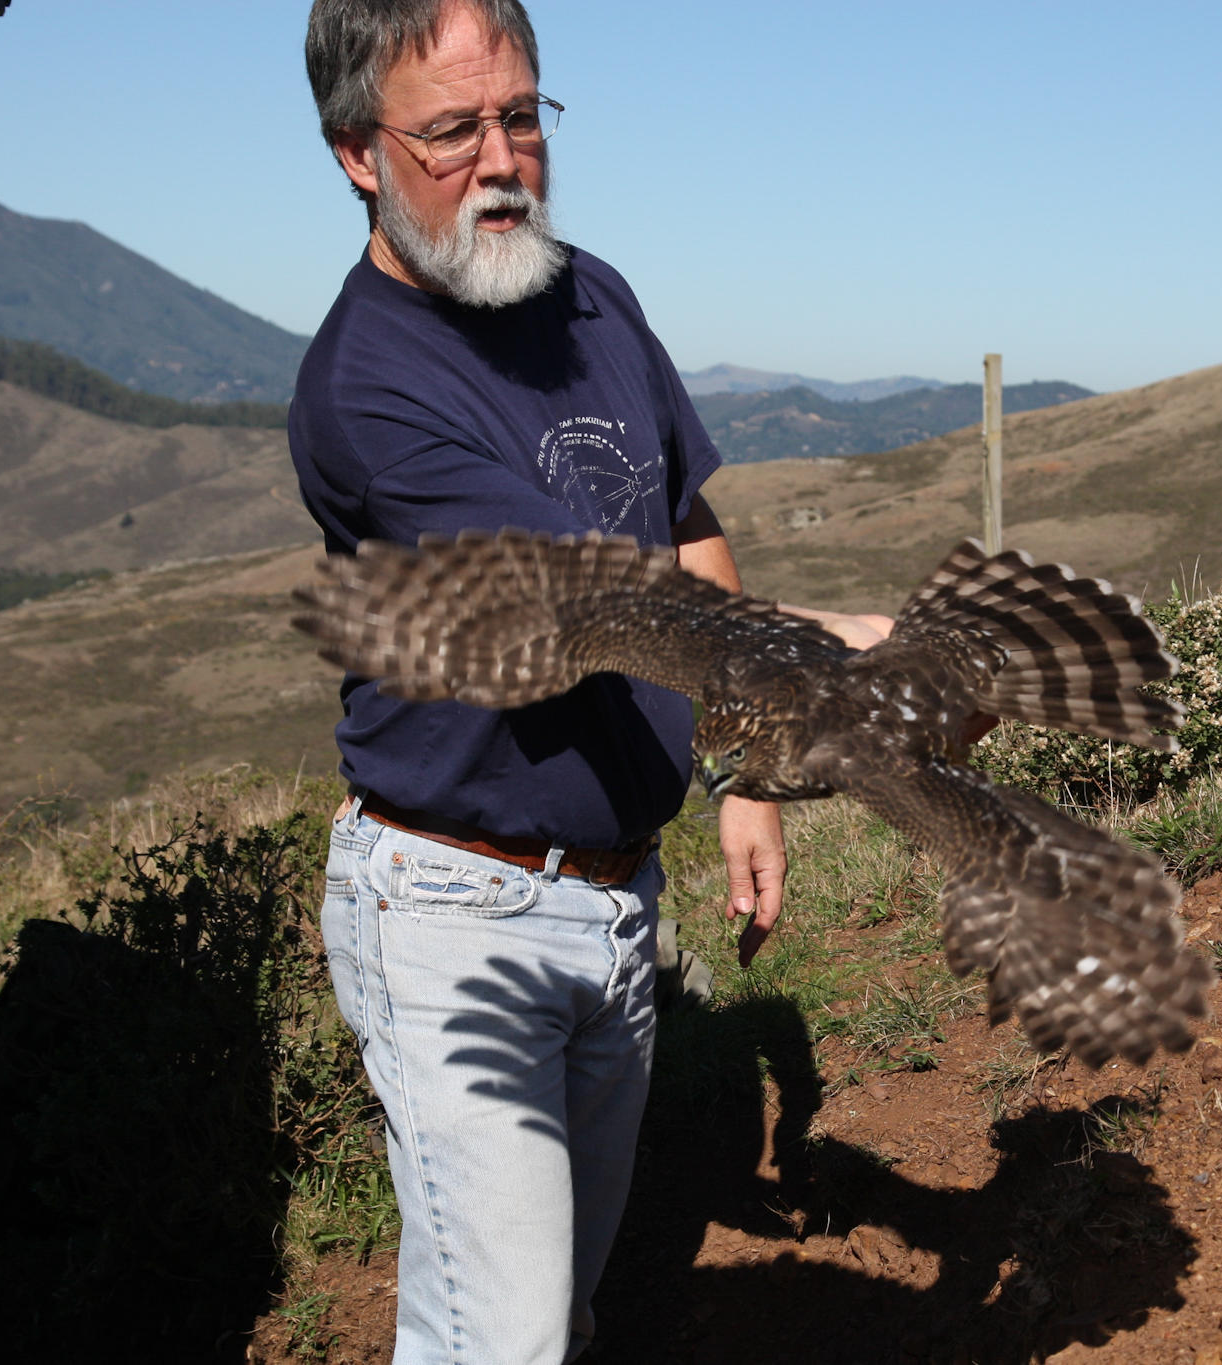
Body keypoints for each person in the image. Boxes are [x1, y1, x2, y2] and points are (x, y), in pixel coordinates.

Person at [291, 3, 885, 1360]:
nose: (502, 159)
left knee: (552, 1311)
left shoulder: (595, 295)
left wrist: (746, 766)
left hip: (617, 901)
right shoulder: (368, 387)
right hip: (453, 909)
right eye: (450, 130)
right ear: (356, 154)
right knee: (507, 1335)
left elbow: (684, 527)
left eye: (522, 116)